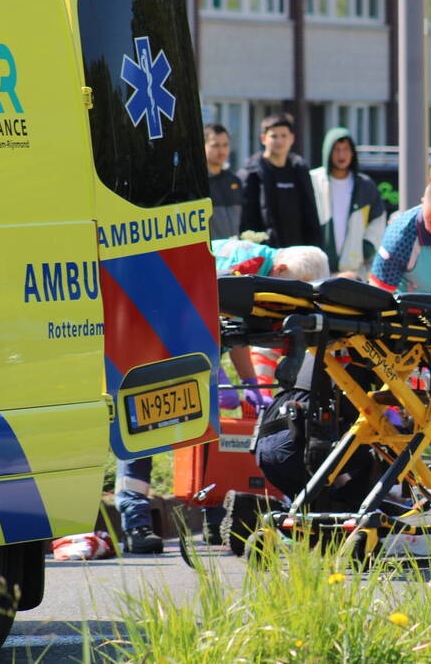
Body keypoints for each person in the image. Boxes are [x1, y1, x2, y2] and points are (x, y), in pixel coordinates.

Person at [114, 242, 329, 553]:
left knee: (205, 435)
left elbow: (234, 325)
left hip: (191, 352)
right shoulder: (240, 267)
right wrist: (217, 373)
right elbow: (190, 315)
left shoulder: (262, 272)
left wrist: (250, 382)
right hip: (150, 341)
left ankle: (215, 519)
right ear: (281, 270)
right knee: (142, 430)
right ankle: (136, 525)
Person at [310, 127, 385, 279]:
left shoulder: (365, 185)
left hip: (353, 272)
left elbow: (378, 220)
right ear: (328, 152)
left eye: (346, 149)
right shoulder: (314, 180)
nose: (341, 155)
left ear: (353, 153)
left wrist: (365, 248)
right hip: (317, 269)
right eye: (336, 149)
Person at [238, 113, 321, 248]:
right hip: (266, 252)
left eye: (284, 136)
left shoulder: (299, 170)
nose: (279, 141)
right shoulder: (251, 174)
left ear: (292, 138)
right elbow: (246, 221)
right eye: (274, 136)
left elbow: (311, 215)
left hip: (297, 253)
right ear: (263, 138)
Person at [204, 122, 243, 240]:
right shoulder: (197, 185)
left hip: (234, 253)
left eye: (225, 145)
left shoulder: (234, 181)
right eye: (215, 145)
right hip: (210, 254)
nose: (221, 151)